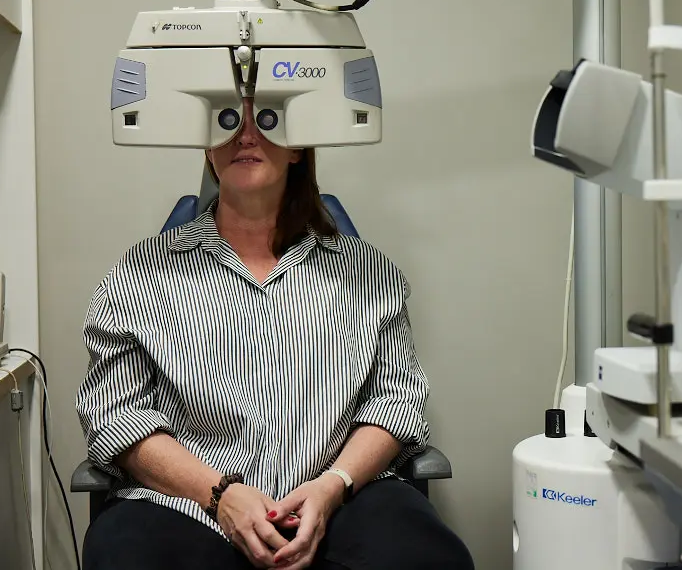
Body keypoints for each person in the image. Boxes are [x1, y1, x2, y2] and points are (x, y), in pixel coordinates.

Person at [75, 98, 474, 570]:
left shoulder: (367, 272)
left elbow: (396, 402)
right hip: (186, 505)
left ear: (297, 149)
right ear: (207, 149)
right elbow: (113, 415)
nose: (245, 135)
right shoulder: (141, 272)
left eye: (267, 120)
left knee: (427, 559)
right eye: (227, 121)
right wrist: (219, 495)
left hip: (341, 497)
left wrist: (333, 486)